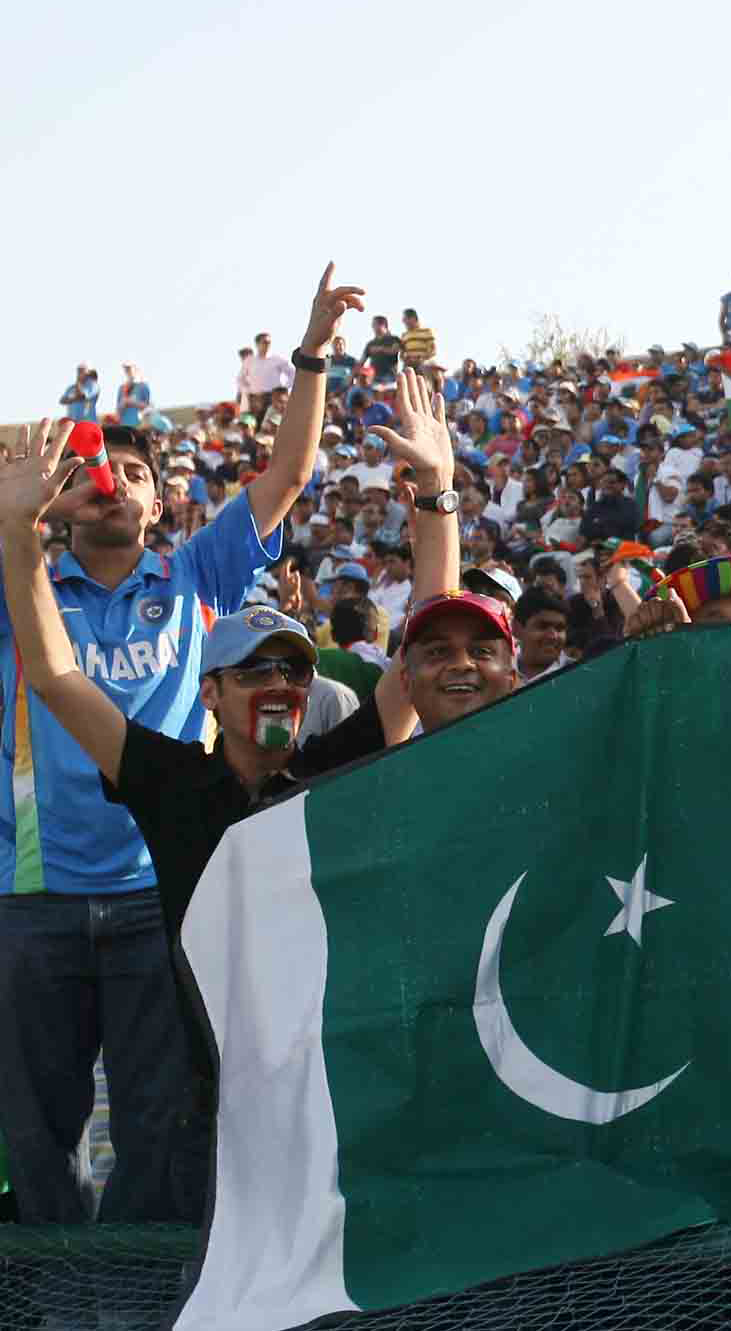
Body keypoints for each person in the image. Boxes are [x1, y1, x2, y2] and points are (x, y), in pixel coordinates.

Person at [0, 264, 351, 1225]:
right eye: (92, 475)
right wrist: (17, 512)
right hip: (32, 895)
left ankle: (136, 1295)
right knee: (37, 1130)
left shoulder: (197, 573)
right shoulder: (19, 584)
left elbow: (286, 474)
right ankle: (51, 1297)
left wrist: (311, 350)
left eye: (138, 474)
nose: (113, 484)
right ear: (60, 503)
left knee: (160, 1123)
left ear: (163, 506)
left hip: (163, 890)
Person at [511, 589, 574, 684]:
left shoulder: (578, 676)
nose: (553, 636)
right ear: (517, 629)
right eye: (543, 626)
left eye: (559, 628)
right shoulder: (499, 675)